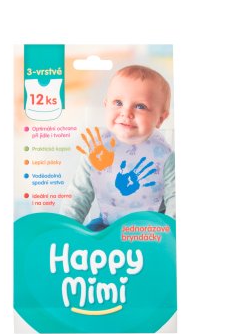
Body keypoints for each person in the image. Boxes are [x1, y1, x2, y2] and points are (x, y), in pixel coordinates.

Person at [62, 65, 175, 230]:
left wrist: (171, 233)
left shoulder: (164, 156)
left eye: (140, 106)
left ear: (160, 119)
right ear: (106, 105)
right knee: (88, 237)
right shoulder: (97, 151)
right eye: (118, 103)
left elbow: (175, 199)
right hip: (107, 226)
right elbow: (79, 194)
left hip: (151, 231)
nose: (126, 112)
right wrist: (66, 229)